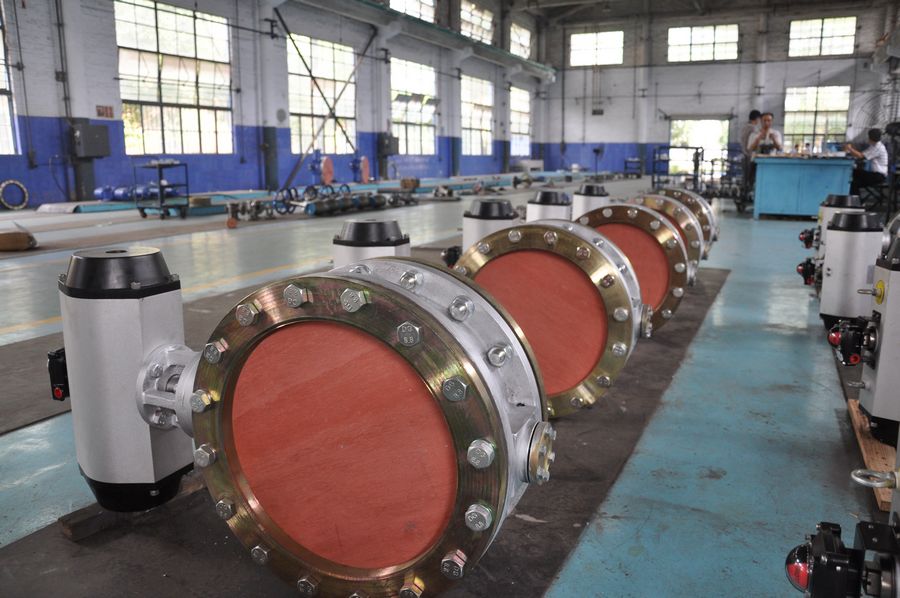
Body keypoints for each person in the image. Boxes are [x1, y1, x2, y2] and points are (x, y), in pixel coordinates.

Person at [845, 128, 888, 195]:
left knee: (854, 183)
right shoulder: (875, 145)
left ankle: (855, 200)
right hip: (875, 174)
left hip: (878, 176)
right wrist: (852, 151)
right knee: (855, 172)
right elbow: (863, 154)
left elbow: (861, 156)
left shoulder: (877, 147)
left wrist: (850, 148)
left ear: (870, 137)